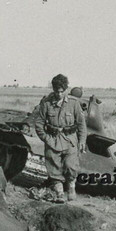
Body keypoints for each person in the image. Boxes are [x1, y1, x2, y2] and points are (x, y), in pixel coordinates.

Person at [34, 74, 87, 202]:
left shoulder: (74, 103)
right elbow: (39, 124)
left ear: (66, 89)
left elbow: (81, 124)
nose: (59, 94)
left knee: (70, 165)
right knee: (54, 167)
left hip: (70, 140)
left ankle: (71, 186)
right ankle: (59, 193)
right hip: (53, 140)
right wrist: (46, 138)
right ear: (53, 89)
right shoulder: (46, 103)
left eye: (62, 91)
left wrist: (82, 141)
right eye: (57, 91)